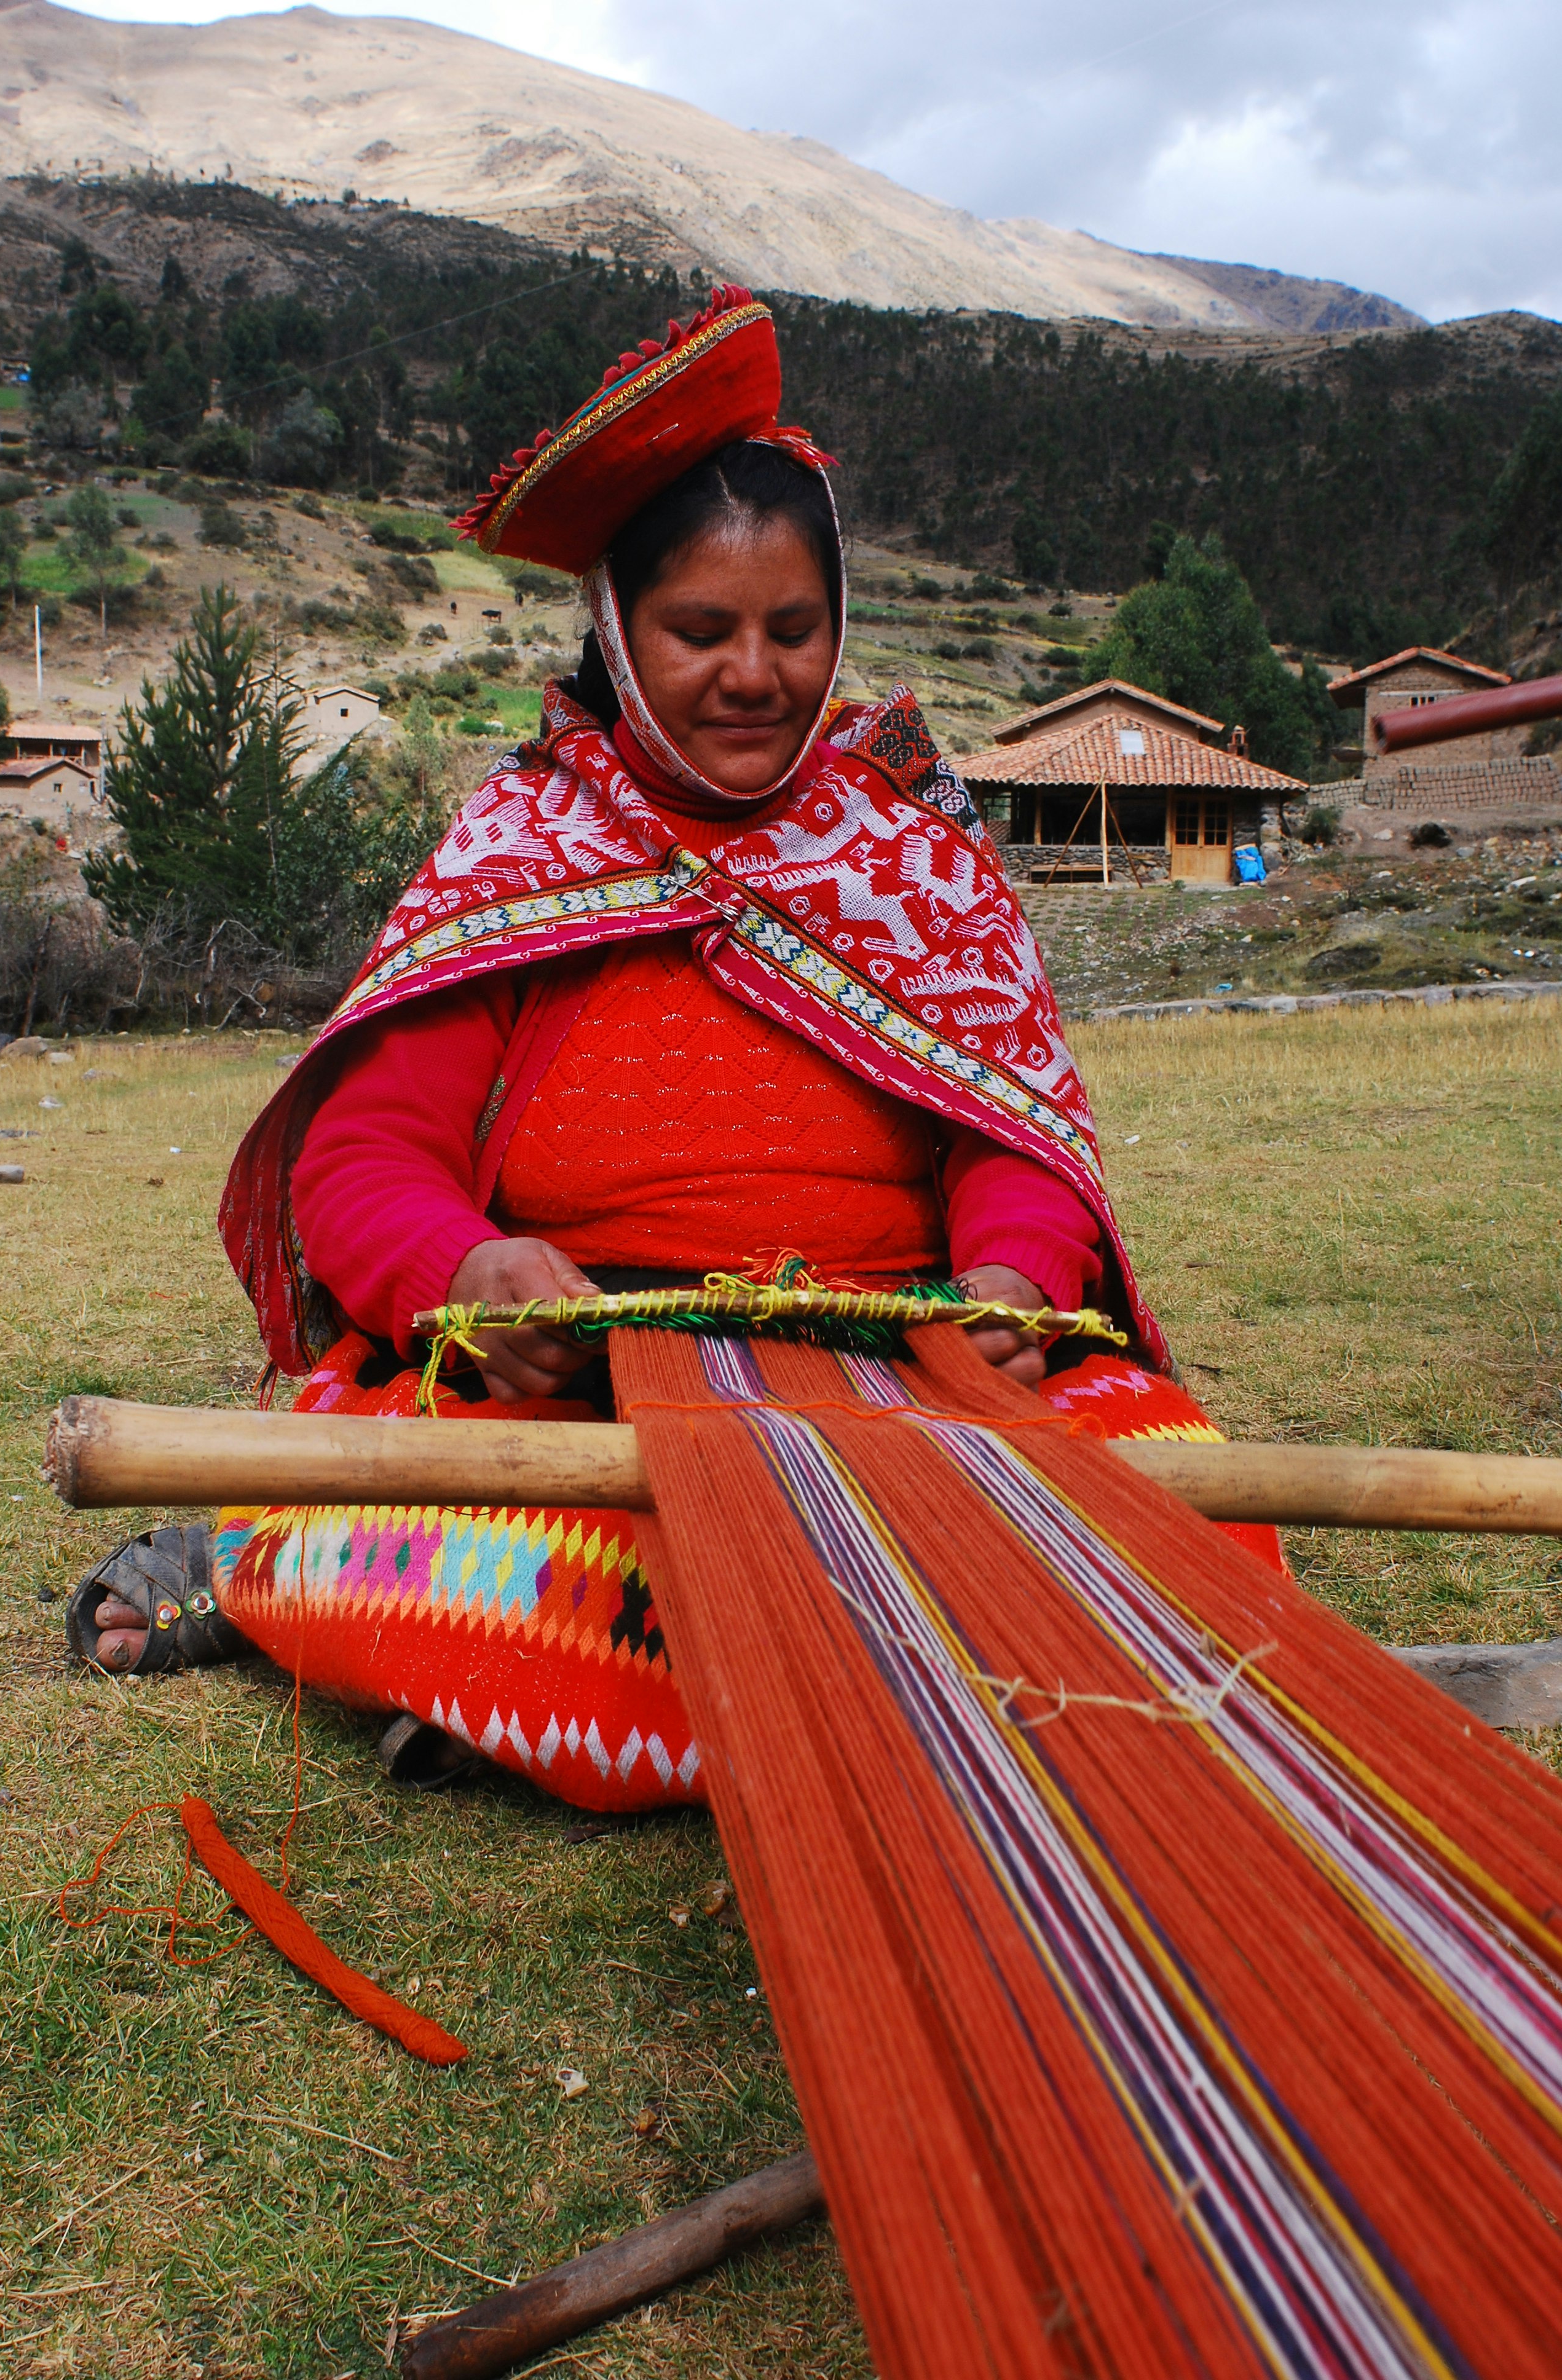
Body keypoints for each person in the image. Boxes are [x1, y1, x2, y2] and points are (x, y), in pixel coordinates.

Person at [68, 286, 1282, 1807]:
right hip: (579, 1396)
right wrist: (466, 1278)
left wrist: (1014, 1284)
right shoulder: (521, 849)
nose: (754, 674)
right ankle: (887, 1678)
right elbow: (367, 1160)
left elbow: (1011, 1145)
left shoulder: (911, 860)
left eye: (794, 629)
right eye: (700, 630)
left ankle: (624, 1696)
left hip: (903, 1380)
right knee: (475, 1554)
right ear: (618, 633)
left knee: (1205, 1515)